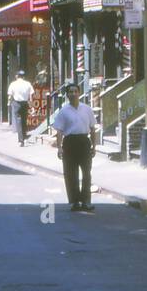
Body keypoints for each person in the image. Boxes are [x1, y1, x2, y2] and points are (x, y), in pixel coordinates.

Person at [52, 82, 97, 212]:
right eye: (70, 92)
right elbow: (59, 131)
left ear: (79, 93)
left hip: (84, 142)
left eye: (75, 91)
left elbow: (93, 129)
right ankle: (74, 201)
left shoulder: (87, 109)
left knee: (86, 173)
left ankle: (86, 201)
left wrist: (94, 146)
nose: (73, 94)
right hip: (70, 142)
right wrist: (60, 148)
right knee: (71, 173)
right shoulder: (64, 111)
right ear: (67, 95)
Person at [8, 69, 34, 146]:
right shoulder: (28, 84)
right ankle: (24, 136)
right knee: (24, 120)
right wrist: (31, 106)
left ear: (17, 76)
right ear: (23, 76)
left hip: (16, 103)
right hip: (25, 103)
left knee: (18, 121)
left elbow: (10, 95)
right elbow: (31, 95)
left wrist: (9, 102)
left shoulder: (13, 84)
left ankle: (21, 140)